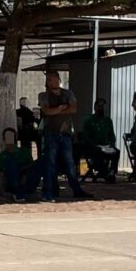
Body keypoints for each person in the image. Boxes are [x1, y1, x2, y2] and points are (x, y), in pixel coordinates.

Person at [38, 70, 91, 202]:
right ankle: (48, 192)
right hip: (51, 133)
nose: (50, 82)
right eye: (49, 80)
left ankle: (76, 190)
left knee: (69, 163)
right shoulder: (44, 95)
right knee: (50, 163)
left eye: (53, 79)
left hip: (65, 133)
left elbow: (73, 109)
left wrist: (55, 110)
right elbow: (46, 111)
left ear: (58, 79)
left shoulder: (68, 93)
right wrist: (61, 108)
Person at [78, 99, 119, 182]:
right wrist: (94, 145)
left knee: (116, 152)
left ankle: (112, 172)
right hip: (94, 146)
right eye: (99, 106)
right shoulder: (89, 121)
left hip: (106, 146)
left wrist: (112, 143)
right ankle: (105, 173)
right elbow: (86, 137)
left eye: (103, 106)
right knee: (98, 152)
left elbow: (112, 135)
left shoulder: (108, 120)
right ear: (95, 107)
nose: (101, 108)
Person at [0, 127, 42, 202]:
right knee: (11, 164)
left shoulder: (25, 151)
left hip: (27, 180)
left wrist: (24, 173)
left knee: (40, 163)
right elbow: (4, 173)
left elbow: (32, 165)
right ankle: (17, 193)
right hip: (13, 182)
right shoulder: (2, 156)